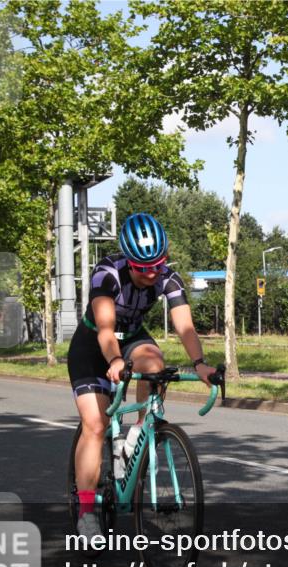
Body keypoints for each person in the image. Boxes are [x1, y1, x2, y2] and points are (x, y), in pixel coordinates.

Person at [67, 212, 216, 539]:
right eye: (143, 268)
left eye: (158, 265)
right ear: (128, 260)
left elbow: (185, 326)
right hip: (94, 345)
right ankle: (87, 511)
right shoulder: (107, 273)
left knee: (155, 364)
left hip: (132, 337)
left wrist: (201, 363)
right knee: (95, 424)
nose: (152, 274)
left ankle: (137, 435)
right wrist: (116, 360)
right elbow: (106, 329)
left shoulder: (167, 276)